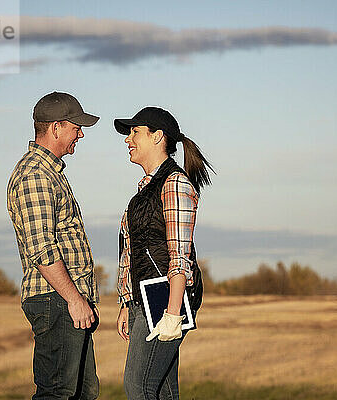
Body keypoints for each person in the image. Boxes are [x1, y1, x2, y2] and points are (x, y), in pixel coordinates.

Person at [114, 107, 213, 400]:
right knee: (163, 390)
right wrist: (125, 302)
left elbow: (179, 255)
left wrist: (172, 314)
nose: (127, 139)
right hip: (143, 300)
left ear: (158, 137)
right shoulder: (142, 194)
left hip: (164, 299)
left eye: (135, 132)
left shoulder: (175, 184)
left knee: (138, 387)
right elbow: (131, 253)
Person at [7, 92, 100, 400]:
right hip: (57, 299)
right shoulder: (35, 175)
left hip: (65, 299)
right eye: (77, 127)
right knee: (57, 393)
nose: (81, 134)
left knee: (83, 393)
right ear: (56, 128)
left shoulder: (49, 173)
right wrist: (74, 299)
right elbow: (42, 249)